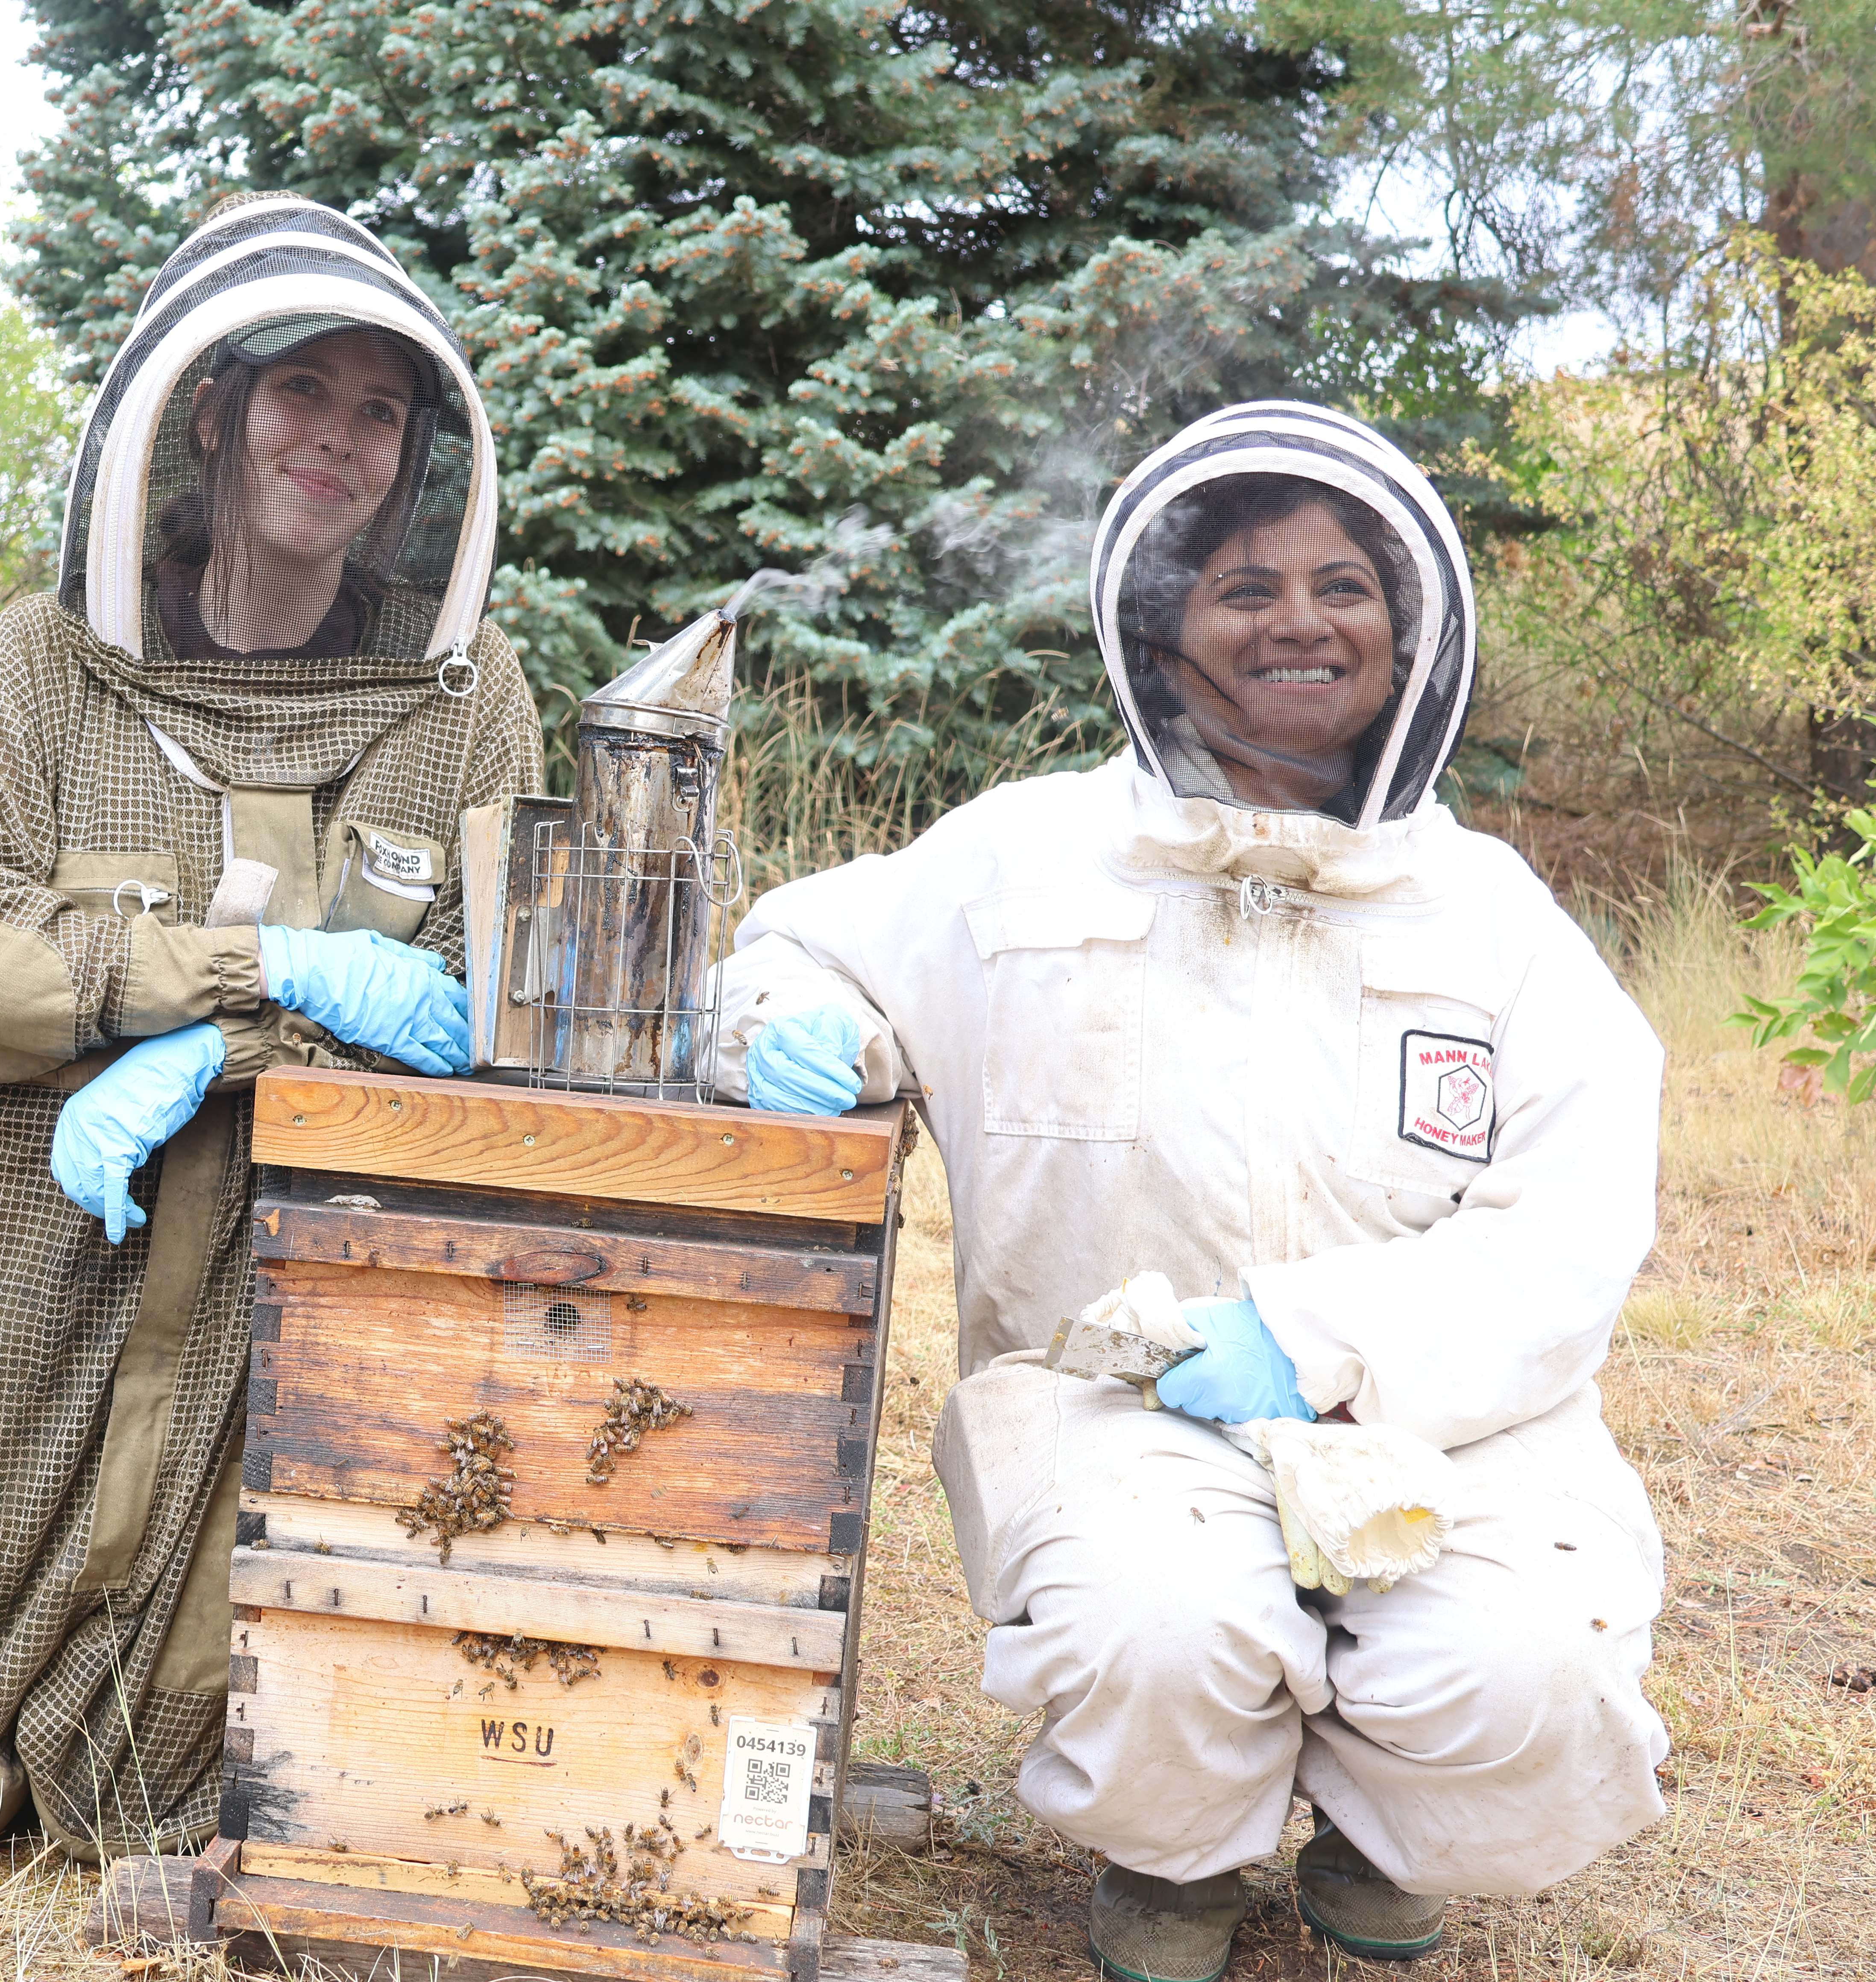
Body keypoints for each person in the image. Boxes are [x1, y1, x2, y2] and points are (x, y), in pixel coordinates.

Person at [714, 403, 1668, 1977]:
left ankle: (1387, 1837)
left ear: (1408, 632)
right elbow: (795, 946)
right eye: (1244, 589)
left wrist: (1326, 1343)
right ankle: (1176, 1869)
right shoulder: (1025, 858)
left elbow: (1573, 1229)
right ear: (1162, 638)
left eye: (1344, 586)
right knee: (1158, 1639)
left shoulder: (1491, 915)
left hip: (1442, 1419)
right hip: (1124, 1404)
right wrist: (791, 1023)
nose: (1302, 620)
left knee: (1533, 1669)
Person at [0, 194, 542, 1865]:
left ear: (421, 461)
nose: (337, 440)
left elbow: (500, 999)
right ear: (207, 410)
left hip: (300, 1297)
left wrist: (253, 1034)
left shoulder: (467, 706)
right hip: (28, 1255)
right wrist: (241, 980)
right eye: (299, 392)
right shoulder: (31, 675)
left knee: (202, 1778)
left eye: (380, 411)